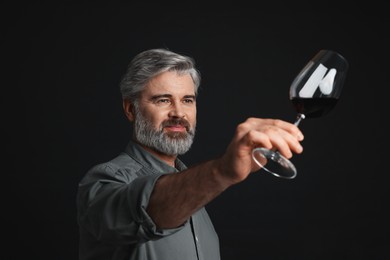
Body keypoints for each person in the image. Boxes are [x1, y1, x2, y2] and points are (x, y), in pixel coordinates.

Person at [76, 48, 304, 260]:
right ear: (130, 109)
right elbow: (148, 211)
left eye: (187, 100)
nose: (178, 113)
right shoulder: (104, 181)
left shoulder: (194, 188)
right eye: (163, 100)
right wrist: (222, 171)